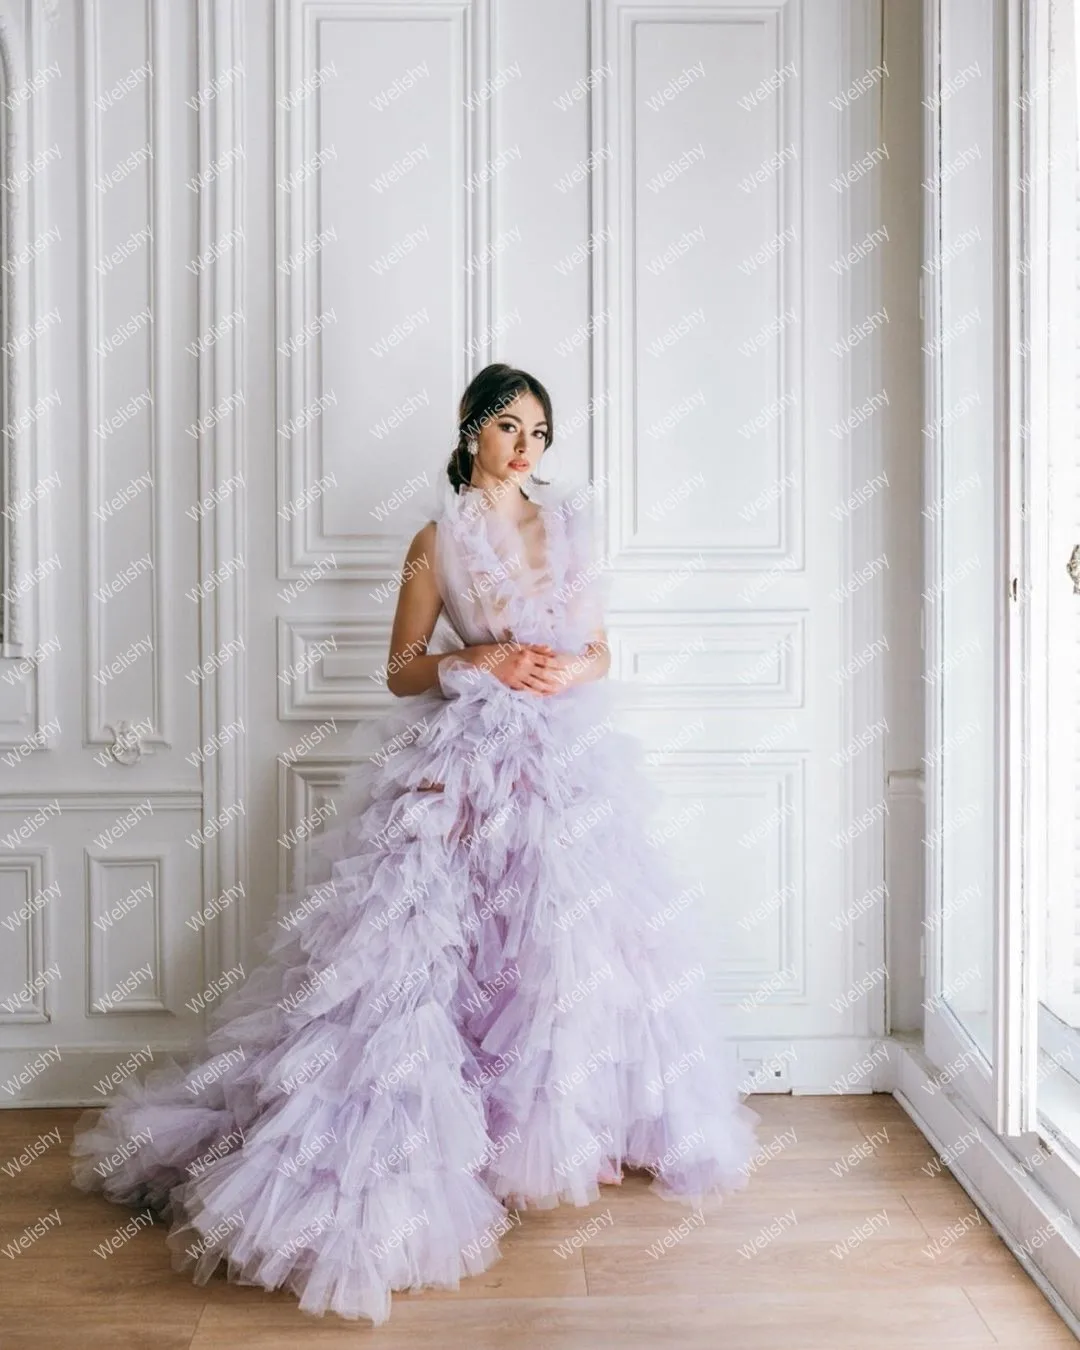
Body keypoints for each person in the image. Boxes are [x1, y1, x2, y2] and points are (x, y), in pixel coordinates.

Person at [71, 362, 762, 1324]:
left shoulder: (568, 527)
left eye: (540, 433)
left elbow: (602, 646)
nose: (525, 448)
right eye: (509, 427)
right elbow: (401, 670)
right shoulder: (436, 541)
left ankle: (554, 1133)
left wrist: (575, 670)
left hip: (567, 763)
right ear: (472, 428)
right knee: (428, 945)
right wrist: (478, 656)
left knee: (569, 945)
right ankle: (429, 1138)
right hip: (467, 759)